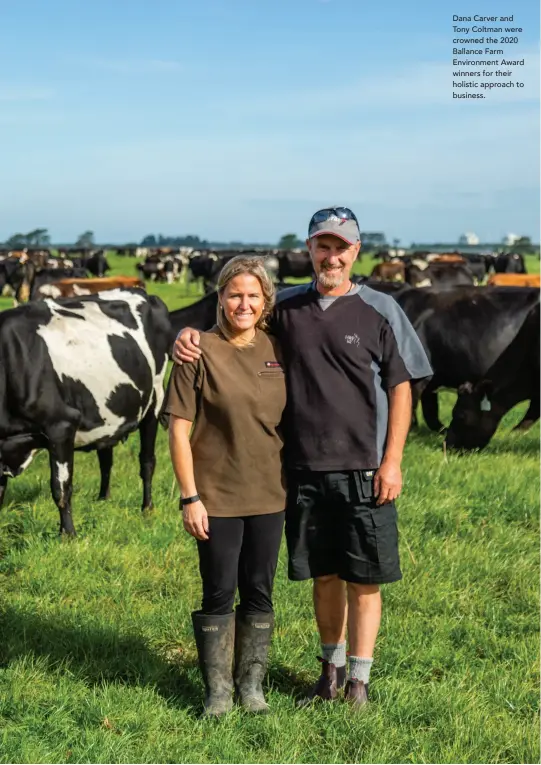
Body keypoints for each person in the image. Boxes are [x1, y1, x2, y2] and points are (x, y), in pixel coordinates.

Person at [174, 207, 432, 709]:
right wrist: (185, 337)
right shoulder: (286, 308)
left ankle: (359, 681)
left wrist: (393, 460)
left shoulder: (381, 310)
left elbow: (401, 388)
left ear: (356, 251)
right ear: (309, 249)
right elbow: (235, 322)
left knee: (365, 578)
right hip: (302, 471)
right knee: (324, 575)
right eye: (322, 245)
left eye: (341, 246)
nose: (331, 256)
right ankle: (329, 674)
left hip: (365, 470)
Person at [165, 255, 287, 717]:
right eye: (235, 294)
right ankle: (217, 691)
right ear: (220, 298)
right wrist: (190, 496)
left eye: (253, 295)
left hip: (270, 493)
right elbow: (178, 429)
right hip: (215, 495)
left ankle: (251, 686)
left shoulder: (278, 349)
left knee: (259, 590)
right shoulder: (198, 351)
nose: (244, 303)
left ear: (265, 301)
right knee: (218, 590)